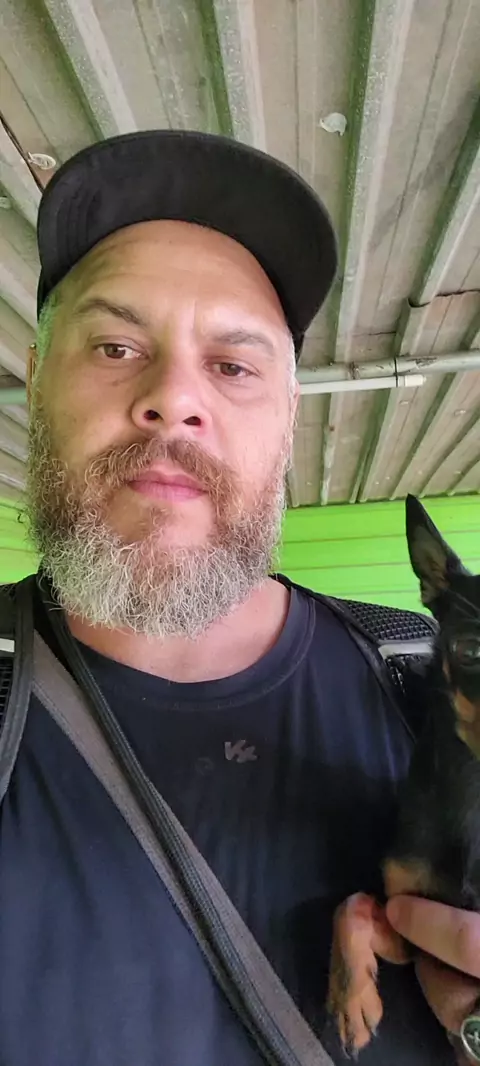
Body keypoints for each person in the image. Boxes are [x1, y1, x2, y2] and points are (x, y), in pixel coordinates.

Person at [0, 130, 478, 1066]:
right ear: (37, 379)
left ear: (289, 417)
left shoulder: (419, 676)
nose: (173, 398)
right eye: (115, 345)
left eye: (233, 365)